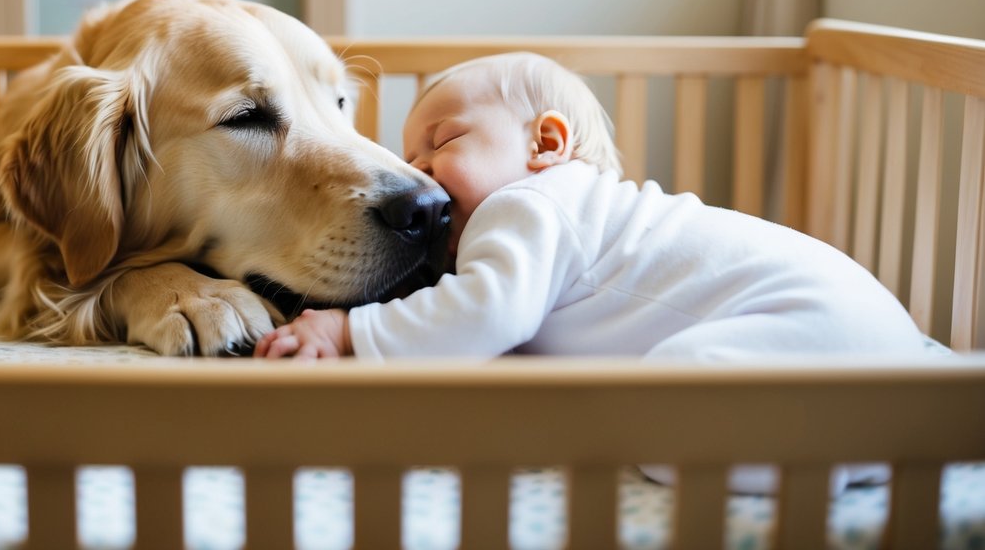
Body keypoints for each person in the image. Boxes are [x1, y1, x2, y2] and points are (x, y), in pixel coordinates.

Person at [255, 51, 934, 494]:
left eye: (443, 142)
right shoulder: (574, 221)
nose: (420, 176)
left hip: (808, 332)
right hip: (862, 339)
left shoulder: (525, 204)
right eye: (411, 159)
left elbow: (487, 313)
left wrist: (350, 332)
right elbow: (508, 337)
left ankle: (842, 462)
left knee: (661, 430)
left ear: (544, 144)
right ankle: (884, 436)